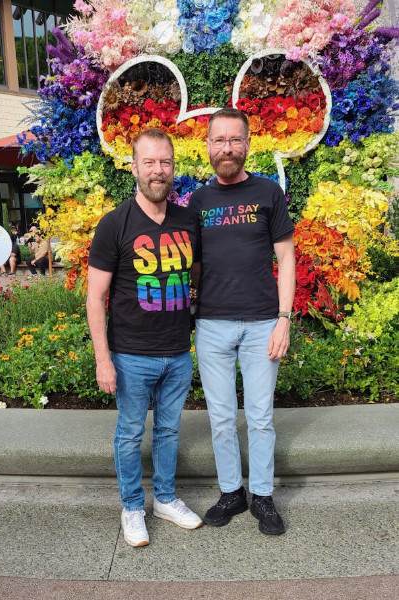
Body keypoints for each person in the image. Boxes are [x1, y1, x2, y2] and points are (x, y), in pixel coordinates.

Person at [87, 128, 202, 548]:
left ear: (174, 168)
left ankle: (165, 500)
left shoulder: (188, 220)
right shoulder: (114, 224)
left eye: (165, 162)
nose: (158, 170)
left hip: (176, 352)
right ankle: (133, 506)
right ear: (133, 167)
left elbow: (198, 274)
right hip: (131, 355)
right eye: (149, 162)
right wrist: (103, 359)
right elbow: (95, 297)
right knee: (131, 433)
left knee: (169, 431)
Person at [188, 108, 295, 535]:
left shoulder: (269, 193)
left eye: (235, 140)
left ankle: (263, 497)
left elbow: (286, 258)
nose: (227, 148)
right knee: (219, 416)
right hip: (211, 324)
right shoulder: (198, 201)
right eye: (219, 140)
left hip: (262, 323)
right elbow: (191, 264)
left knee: (261, 416)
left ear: (248, 145)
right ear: (208, 146)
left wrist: (284, 320)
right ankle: (232, 492)